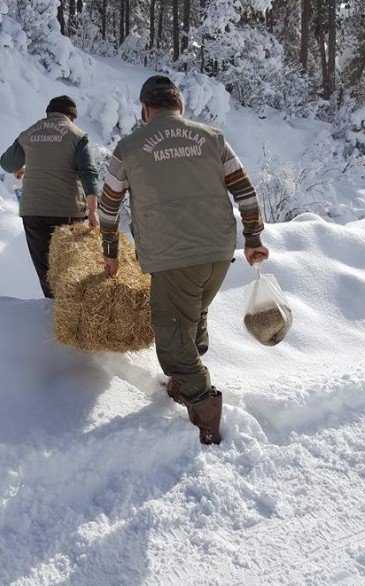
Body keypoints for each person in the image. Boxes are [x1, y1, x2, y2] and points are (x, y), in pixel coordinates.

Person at [98, 76, 269, 445]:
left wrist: (110, 252)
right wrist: (253, 238)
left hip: (172, 254)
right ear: (181, 107)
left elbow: (109, 204)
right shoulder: (212, 137)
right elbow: (245, 189)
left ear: (146, 110)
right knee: (194, 313)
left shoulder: (128, 147)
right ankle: (186, 378)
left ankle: (204, 411)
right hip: (219, 253)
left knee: (172, 336)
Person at [0, 95, 99, 298]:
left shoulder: (29, 133)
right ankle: (71, 316)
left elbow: (7, 164)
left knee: (47, 271)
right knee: (71, 269)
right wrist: (93, 210)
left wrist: (22, 167)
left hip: (34, 212)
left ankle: (52, 313)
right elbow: (87, 171)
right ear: (71, 117)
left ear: (48, 114)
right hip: (68, 211)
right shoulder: (77, 135)